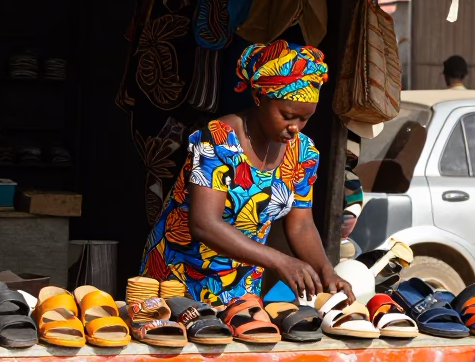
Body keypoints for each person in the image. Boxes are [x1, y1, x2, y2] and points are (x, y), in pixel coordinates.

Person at [140, 40, 354, 305]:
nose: (296, 127)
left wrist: (327, 271)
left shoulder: (303, 153)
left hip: (241, 290)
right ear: (258, 98)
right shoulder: (218, 140)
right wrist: (279, 260)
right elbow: (204, 223)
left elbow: (301, 224)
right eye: (287, 116)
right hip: (177, 281)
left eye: (305, 118)